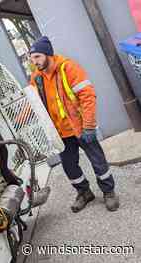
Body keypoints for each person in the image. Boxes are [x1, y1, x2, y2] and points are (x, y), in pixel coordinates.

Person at [28, 36, 119, 212]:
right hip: (61, 133)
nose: (34, 61)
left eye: (37, 57)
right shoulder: (36, 78)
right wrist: (18, 119)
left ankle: (109, 192)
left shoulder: (68, 68)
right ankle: (84, 192)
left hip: (81, 127)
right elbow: (32, 103)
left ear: (48, 54)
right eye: (32, 58)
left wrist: (89, 126)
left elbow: (87, 96)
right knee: (69, 165)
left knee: (97, 161)